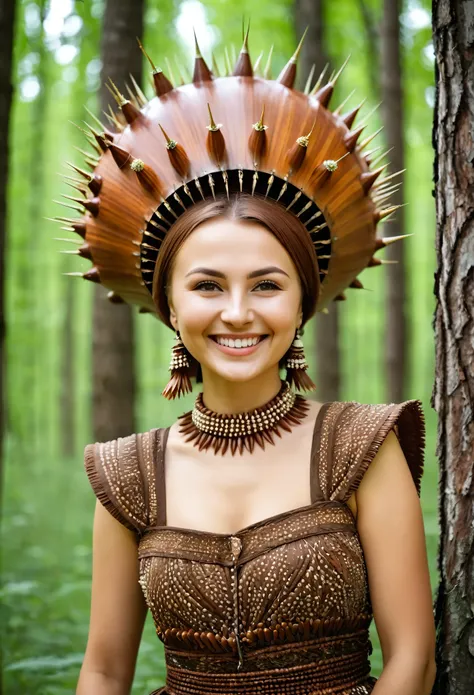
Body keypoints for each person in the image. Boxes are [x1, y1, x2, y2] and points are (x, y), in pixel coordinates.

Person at [66, 27, 436, 695]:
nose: (237, 311)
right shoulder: (126, 475)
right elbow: (103, 669)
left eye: (267, 284)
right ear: (171, 306)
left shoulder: (362, 445)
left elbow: (413, 658)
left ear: (302, 303)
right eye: (207, 285)